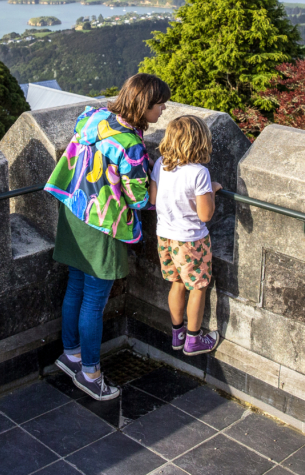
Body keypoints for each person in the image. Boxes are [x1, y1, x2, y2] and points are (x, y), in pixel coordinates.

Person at [44, 73, 170, 400]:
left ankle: (70, 355)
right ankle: (90, 373)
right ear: (144, 105)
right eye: (159, 105)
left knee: (75, 284)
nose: (163, 110)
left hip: (74, 210)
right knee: (95, 300)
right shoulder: (129, 145)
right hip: (103, 222)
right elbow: (141, 199)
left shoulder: (95, 117)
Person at [149, 115, 222, 355]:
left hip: (165, 236)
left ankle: (177, 333)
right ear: (200, 141)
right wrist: (211, 189)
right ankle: (193, 340)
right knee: (198, 287)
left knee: (177, 283)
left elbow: (152, 199)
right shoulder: (199, 172)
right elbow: (205, 214)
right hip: (191, 240)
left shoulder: (161, 163)